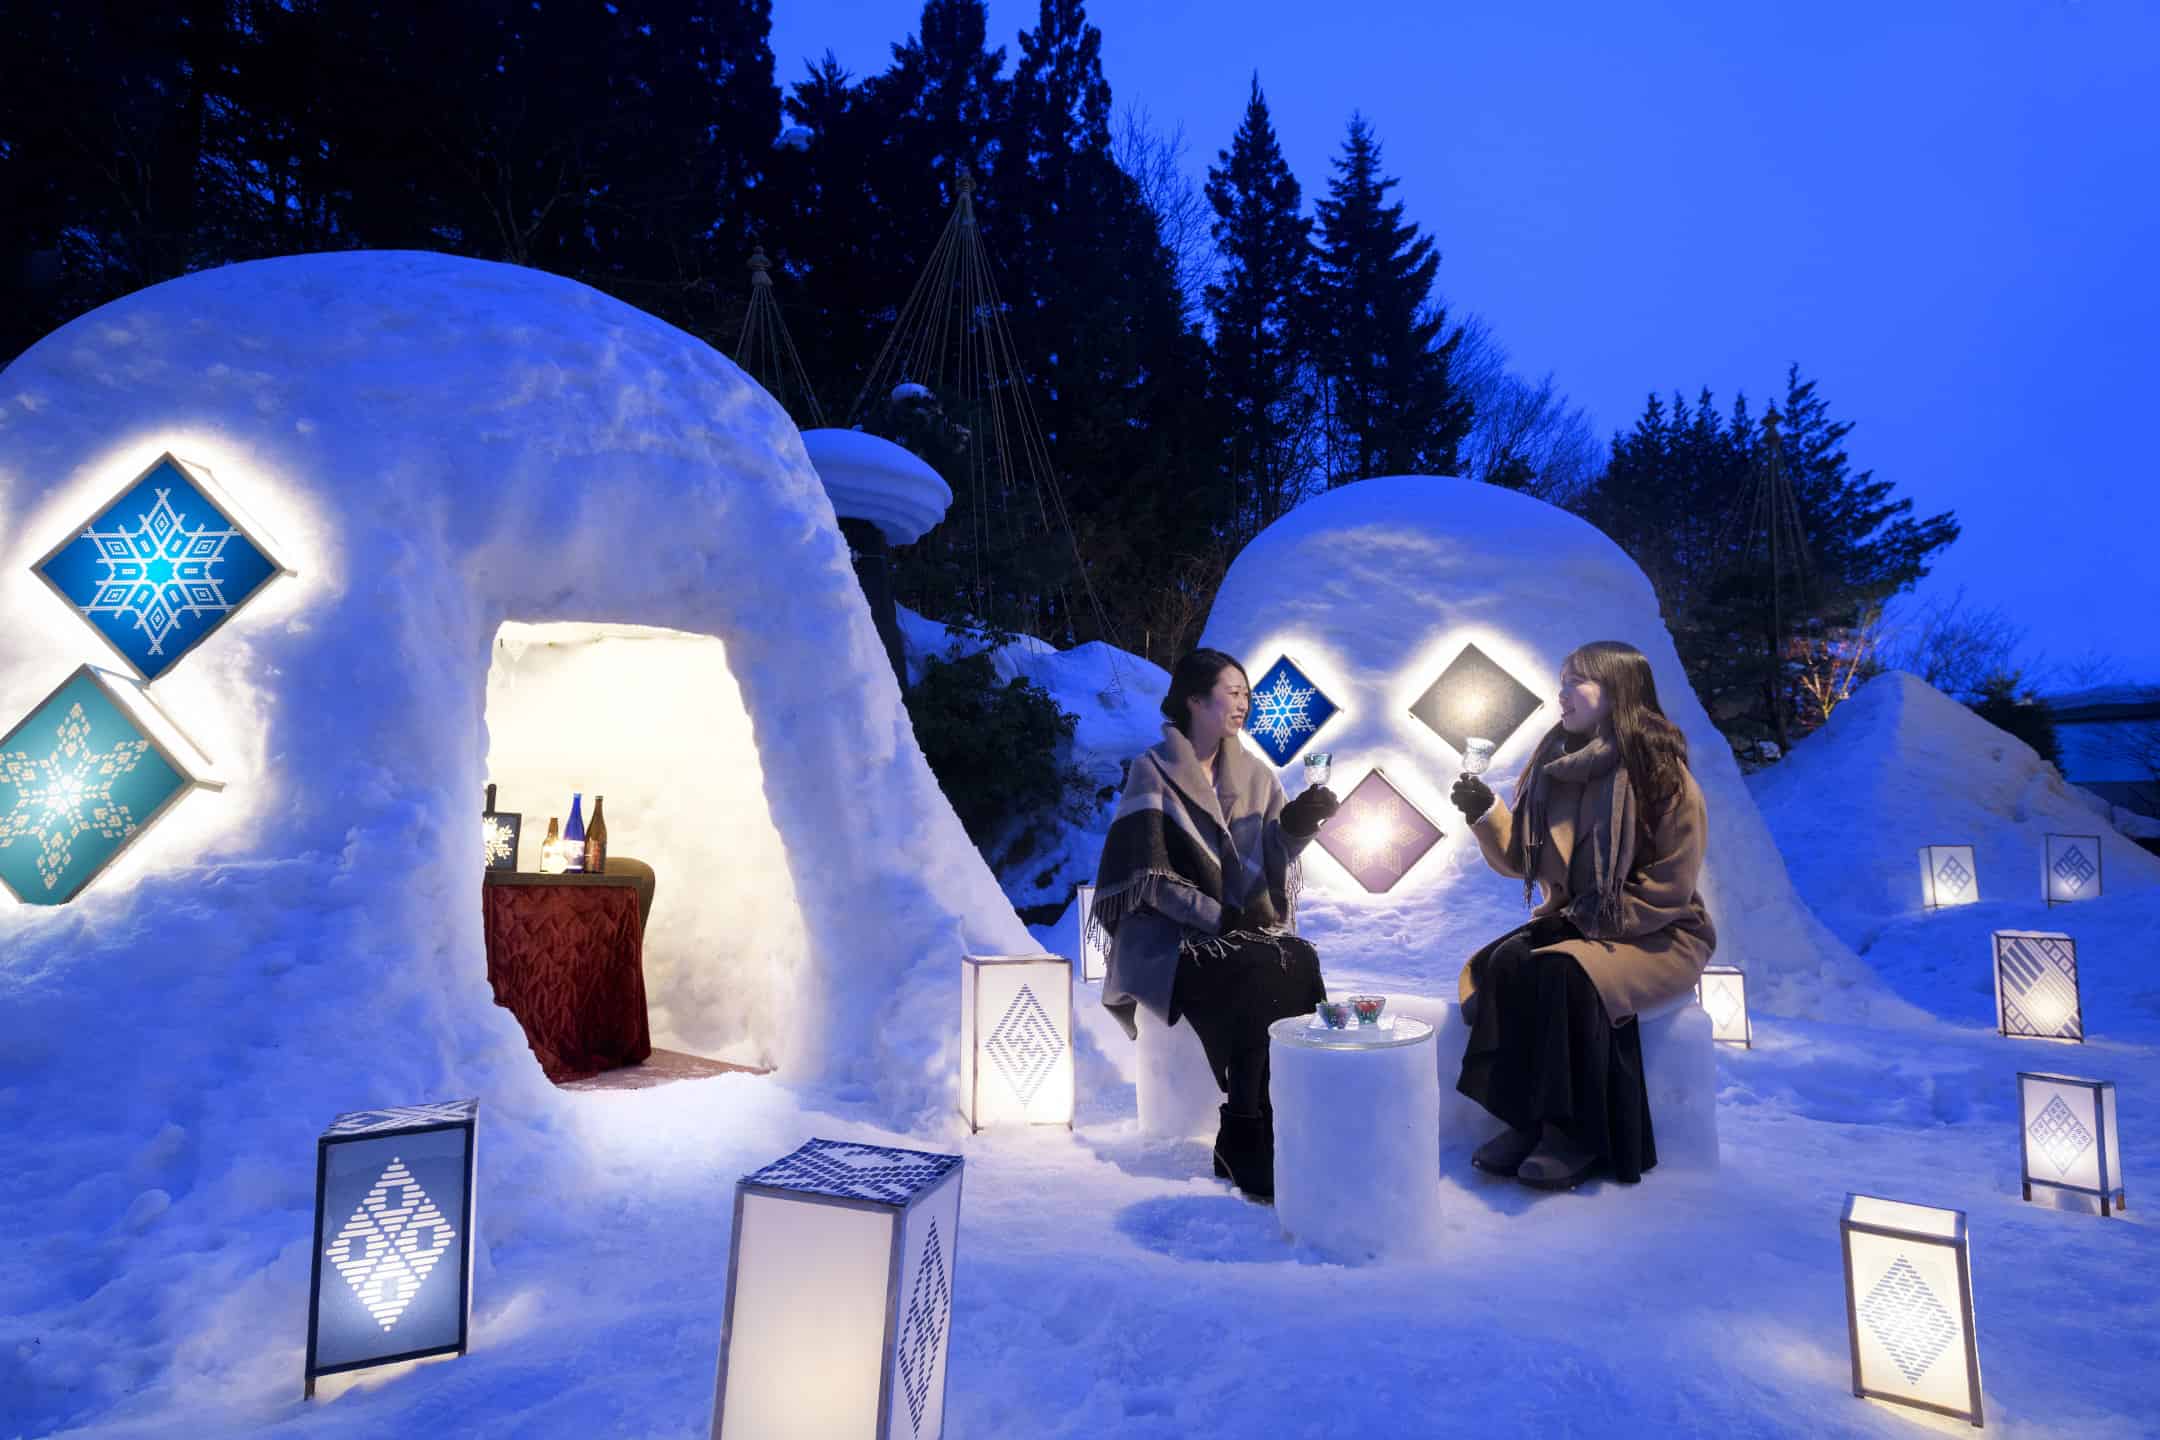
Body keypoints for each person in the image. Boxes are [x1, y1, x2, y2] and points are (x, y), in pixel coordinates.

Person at [1446, 640, 1716, 1192]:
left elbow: (1669, 886)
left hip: (1658, 933)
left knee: (1564, 970)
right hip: (1583, 922)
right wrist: (1485, 812)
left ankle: (1574, 1135)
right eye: (1562, 681)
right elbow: (1524, 857)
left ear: (1617, 690)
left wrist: (1585, 923)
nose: (1562, 694)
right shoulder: (1557, 768)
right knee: (1508, 962)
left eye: (1577, 681)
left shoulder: (1662, 774)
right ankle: (1525, 1121)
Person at [1089, 649, 1341, 1200]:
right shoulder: (1153, 771)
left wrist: (1299, 824)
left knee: (1298, 959)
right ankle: (1244, 1131)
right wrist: (1219, 916)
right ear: (1194, 700)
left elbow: (1272, 854)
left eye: (1247, 694)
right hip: (1168, 936)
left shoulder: (1255, 774)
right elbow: (1146, 876)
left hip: (1238, 930)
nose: (1243, 703)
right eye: (1232, 692)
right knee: (1254, 972)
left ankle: (1284, 1120)